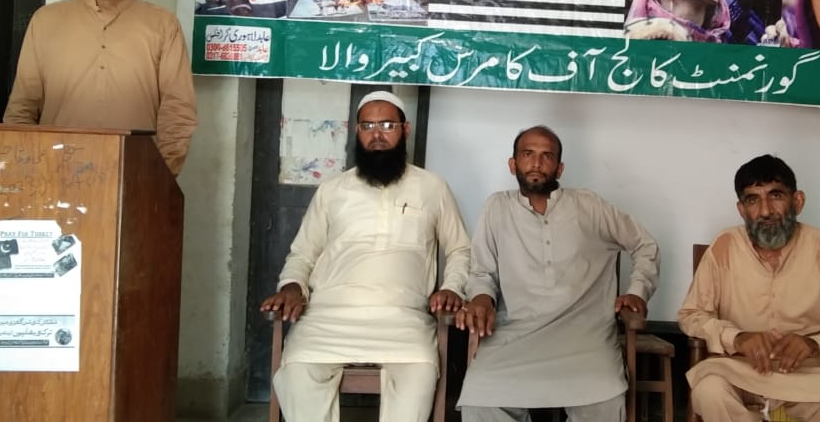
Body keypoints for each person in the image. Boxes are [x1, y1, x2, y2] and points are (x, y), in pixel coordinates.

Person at [262, 91, 471, 422]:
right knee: (298, 374)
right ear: (356, 131)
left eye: (387, 125)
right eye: (367, 126)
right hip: (327, 317)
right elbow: (303, 253)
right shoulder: (332, 190)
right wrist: (291, 286)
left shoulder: (433, 187)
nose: (377, 135)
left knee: (419, 378)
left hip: (404, 319)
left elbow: (460, 249)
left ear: (405, 129)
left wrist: (452, 288)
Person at [455, 125, 661, 421]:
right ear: (513, 164)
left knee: (603, 401)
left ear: (560, 168)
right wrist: (481, 298)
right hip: (514, 336)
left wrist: (637, 291)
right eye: (528, 154)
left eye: (547, 156)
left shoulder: (589, 205)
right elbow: (482, 272)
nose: (536, 163)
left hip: (585, 338)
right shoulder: (496, 207)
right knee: (481, 401)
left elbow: (645, 244)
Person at [678, 155, 820, 422]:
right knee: (710, 391)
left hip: (808, 371)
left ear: (798, 201)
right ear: (741, 209)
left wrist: (815, 344)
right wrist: (737, 338)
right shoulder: (725, 245)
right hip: (739, 367)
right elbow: (690, 314)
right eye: (753, 200)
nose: (765, 211)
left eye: (776, 196)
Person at [3, 0, 198, 175]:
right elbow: (23, 106)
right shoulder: (46, 20)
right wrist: (29, 170)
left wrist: (158, 176)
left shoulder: (163, 25)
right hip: (54, 173)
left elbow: (178, 111)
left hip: (135, 174)